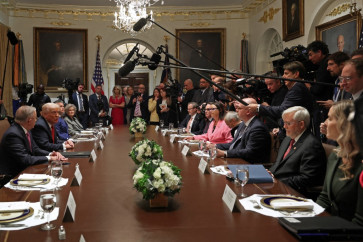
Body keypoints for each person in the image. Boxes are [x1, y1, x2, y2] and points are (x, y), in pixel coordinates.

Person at [316, 101, 363, 226]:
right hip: (333, 225)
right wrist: (307, 219)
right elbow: (325, 198)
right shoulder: (336, 155)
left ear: (345, 124)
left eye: (330, 118)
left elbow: (359, 221)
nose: (325, 122)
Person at [269, 106, 326, 197]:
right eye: (284, 123)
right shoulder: (288, 139)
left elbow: (307, 178)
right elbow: (278, 164)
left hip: (295, 193)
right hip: (278, 187)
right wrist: (269, 174)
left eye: (288, 123)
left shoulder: (311, 145)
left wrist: (276, 181)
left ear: (301, 124)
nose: (284, 127)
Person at [0, 106, 66, 184]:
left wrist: (51, 153)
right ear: (29, 121)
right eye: (35, 118)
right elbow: (26, 159)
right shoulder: (13, 134)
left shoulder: (26, 129)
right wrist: (49, 158)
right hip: (13, 176)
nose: (37, 120)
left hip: (25, 170)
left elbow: (35, 149)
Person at [248, 61, 314, 136]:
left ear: (296, 74)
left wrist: (258, 107)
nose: (283, 76)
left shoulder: (297, 88)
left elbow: (283, 110)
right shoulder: (295, 87)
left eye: (286, 73)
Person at [215, 98, 271, 163]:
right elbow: (233, 144)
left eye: (239, 108)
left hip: (250, 165)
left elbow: (250, 152)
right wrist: (214, 146)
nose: (236, 110)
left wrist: (225, 153)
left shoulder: (258, 128)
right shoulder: (243, 124)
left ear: (248, 111)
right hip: (238, 161)